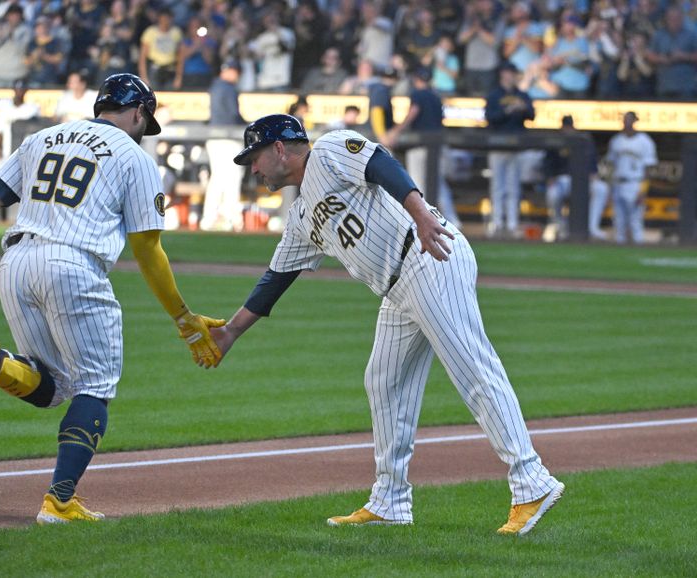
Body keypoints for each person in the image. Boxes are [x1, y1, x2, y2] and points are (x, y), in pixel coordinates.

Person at [208, 114, 565, 535]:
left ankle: (531, 480)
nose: (253, 168)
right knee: (383, 381)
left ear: (280, 148)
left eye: (255, 157)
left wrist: (421, 215)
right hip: (398, 288)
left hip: (427, 255)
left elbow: (382, 165)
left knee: (472, 368)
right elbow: (276, 279)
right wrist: (230, 331)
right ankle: (390, 500)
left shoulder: (328, 151)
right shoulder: (301, 214)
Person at [0, 73, 224, 524]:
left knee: (55, 386)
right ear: (138, 112)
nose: (144, 128)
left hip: (14, 265)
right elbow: (147, 249)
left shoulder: (42, 137)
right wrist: (182, 316)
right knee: (95, 386)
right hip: (74, 265)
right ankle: (58, 501)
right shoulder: (134, 157)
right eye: (145, 120)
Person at [384, 67, 460, 227]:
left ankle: (423, 221)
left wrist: (396, 131)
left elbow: (413, 112)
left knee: (418, 184)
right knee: (438, 184)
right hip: (437, 145)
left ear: (416, 79)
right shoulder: (435, 95)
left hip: (420, 145)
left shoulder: (418, 94)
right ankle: (452, 221)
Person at [484, 61, 534, 238]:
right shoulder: (494, 95)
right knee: (498, 186)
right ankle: (497, 222)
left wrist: (524, 107)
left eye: (513, 73)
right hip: (497, 145)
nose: (511, 76)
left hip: (516, 147)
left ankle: (513, 223)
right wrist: (508, 110)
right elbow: (490, 118)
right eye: (509, 72)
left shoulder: (521, 94)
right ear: (503, 74)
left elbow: (532, 115)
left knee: (513, 187)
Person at [542, 115, 609, 242]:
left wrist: (593, 174)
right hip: (562, 179)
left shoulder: (583, 141)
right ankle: (560, 226)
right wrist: (550, 177)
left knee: (601, 188)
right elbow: (547, 164)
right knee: (553, 194)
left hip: (582, 180)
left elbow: (592, 165)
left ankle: (592, 227)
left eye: (570, 127)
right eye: (566, 126)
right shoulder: (556, 142)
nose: (568, 129)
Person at [200, 60, 246, 232]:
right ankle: (230, 217)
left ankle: (210, 218)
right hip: (227, 137)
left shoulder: (215, 85)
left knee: (218, 178)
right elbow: (233, 115)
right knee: (231, 177)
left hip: (214, 137)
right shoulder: (227, 87)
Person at [605, 111, 657, 244]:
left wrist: (643, 189)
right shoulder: (616, 140)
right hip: (618, 182)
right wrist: (609, 186)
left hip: (635, 183)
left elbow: (649, 168)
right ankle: (619, 254)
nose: (626, 123)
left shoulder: (645, 141)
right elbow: (611, 165)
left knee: (635, 220)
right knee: (618, 220)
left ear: (635, 121)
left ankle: (638, 248)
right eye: (624, 120)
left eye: (629, 120)